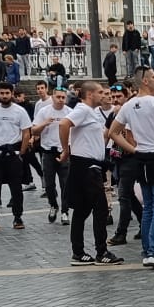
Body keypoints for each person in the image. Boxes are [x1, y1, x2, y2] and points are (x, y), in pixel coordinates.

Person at [112, 71, 154, 269]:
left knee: (148, 206)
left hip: (141, 158)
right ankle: (153, 253)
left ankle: (148, 251)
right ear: (146, 81)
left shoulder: (129, 105)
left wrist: (134, 149)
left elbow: (113, 132)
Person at [57, 81, 120, 266]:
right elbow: (64, 124)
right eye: (100, 92)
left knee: (82, 210)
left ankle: (78, 252)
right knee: (100, 208)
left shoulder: (90, 112)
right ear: (90, 94)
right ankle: (101, 251)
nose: (104, 95)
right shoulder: (83, 110)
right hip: (87, 167)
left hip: (90, 165)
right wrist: (65, 149)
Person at [0, 83, 30, 232]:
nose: (4, 96)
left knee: (16, 188)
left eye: (7, 93)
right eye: (2, 93)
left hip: (13, 154)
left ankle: (18, 217)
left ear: (12, 93)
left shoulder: (20, 111)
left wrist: (21, 152)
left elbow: (26, 133)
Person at [28, 85, 69, 222]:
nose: (61, 99)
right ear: (52, 97)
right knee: (49, 184)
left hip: (63, 152)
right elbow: (33, 130)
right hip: (48, 152)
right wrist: (44, 123)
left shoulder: (70, 112)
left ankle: (65, 211)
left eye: (63, 97)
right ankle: (53, 205)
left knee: (65, 183)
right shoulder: (44, 111)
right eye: (58, 97)